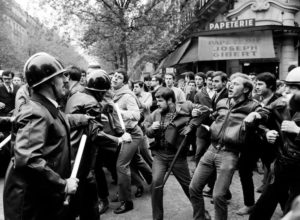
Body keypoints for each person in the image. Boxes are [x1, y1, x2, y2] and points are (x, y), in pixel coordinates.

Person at [3, 52, 91, 220]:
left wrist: (84, 118)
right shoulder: (35, 112)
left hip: (42, 197)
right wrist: (63, 184)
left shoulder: (45, 108)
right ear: (49, 82)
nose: (65, 80)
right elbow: (28, 160)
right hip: (30, 206)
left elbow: (61, 121)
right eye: (60, 77)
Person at [189, 73, 260, 220]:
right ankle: (200, 217)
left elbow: (265, 114)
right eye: (230, 83)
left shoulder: (253, 106)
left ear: (246, 90)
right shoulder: (222, 102)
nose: (230, 85)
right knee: (194, 188)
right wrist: (199, 113)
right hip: (211, 149)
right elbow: (214, 117)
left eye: (236, 84)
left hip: (229, 154)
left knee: (219, 195)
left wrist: (255, 115)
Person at [144, 87, 210, 220]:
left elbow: (206, 110)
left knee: (189, 187)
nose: (157, 104)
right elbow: (146, 127)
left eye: (160, 101)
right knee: (156, 184)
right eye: (157, 101)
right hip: (160, 155)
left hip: (178, 156)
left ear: (170, 100)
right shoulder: (156, 113)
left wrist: (192, 124)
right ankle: (157, 217)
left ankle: (201, 213)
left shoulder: (186, 106)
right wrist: (151, 128)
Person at [245, 67, 300, 220]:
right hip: (283, 163)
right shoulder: (285, 101)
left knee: (293, 208)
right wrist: (259, 117)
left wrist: (298, 130)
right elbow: (267, 112)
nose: (288, 91)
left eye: (294, 87)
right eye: (288, 86)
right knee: (261, 209)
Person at [111, 68, 152, 214]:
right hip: (123, 133)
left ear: (125, 81)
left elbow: (136, 115)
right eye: (115, 76)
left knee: (121, 165)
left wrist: (120, 112)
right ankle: (154, 181)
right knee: (137, 160)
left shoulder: (127, 95)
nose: (115, 78)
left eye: (119, 77)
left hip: (133, 133)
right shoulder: (112, 93)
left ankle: (126, 201)